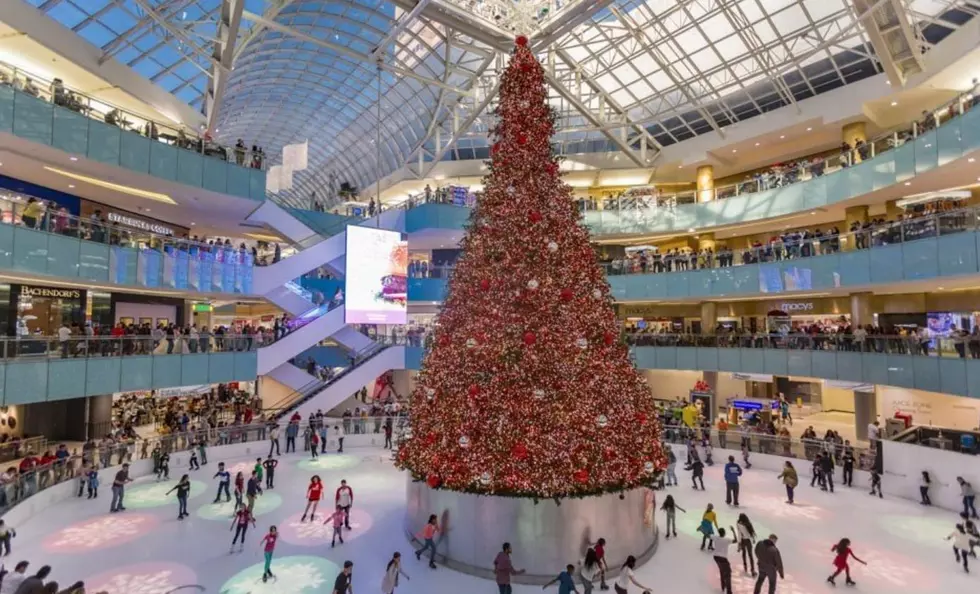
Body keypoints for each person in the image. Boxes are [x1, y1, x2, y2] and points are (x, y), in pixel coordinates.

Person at [712, 528, 737, 594]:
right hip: (723, 559)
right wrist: (733, 531)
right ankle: (729, 591)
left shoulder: (715, 537)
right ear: (724, 533)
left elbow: (708, 535)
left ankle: (723, 586)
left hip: (716, 557)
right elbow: (736, 540)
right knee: (728, 574)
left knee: (722, 570)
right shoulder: (726, 540)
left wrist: (701, 529)